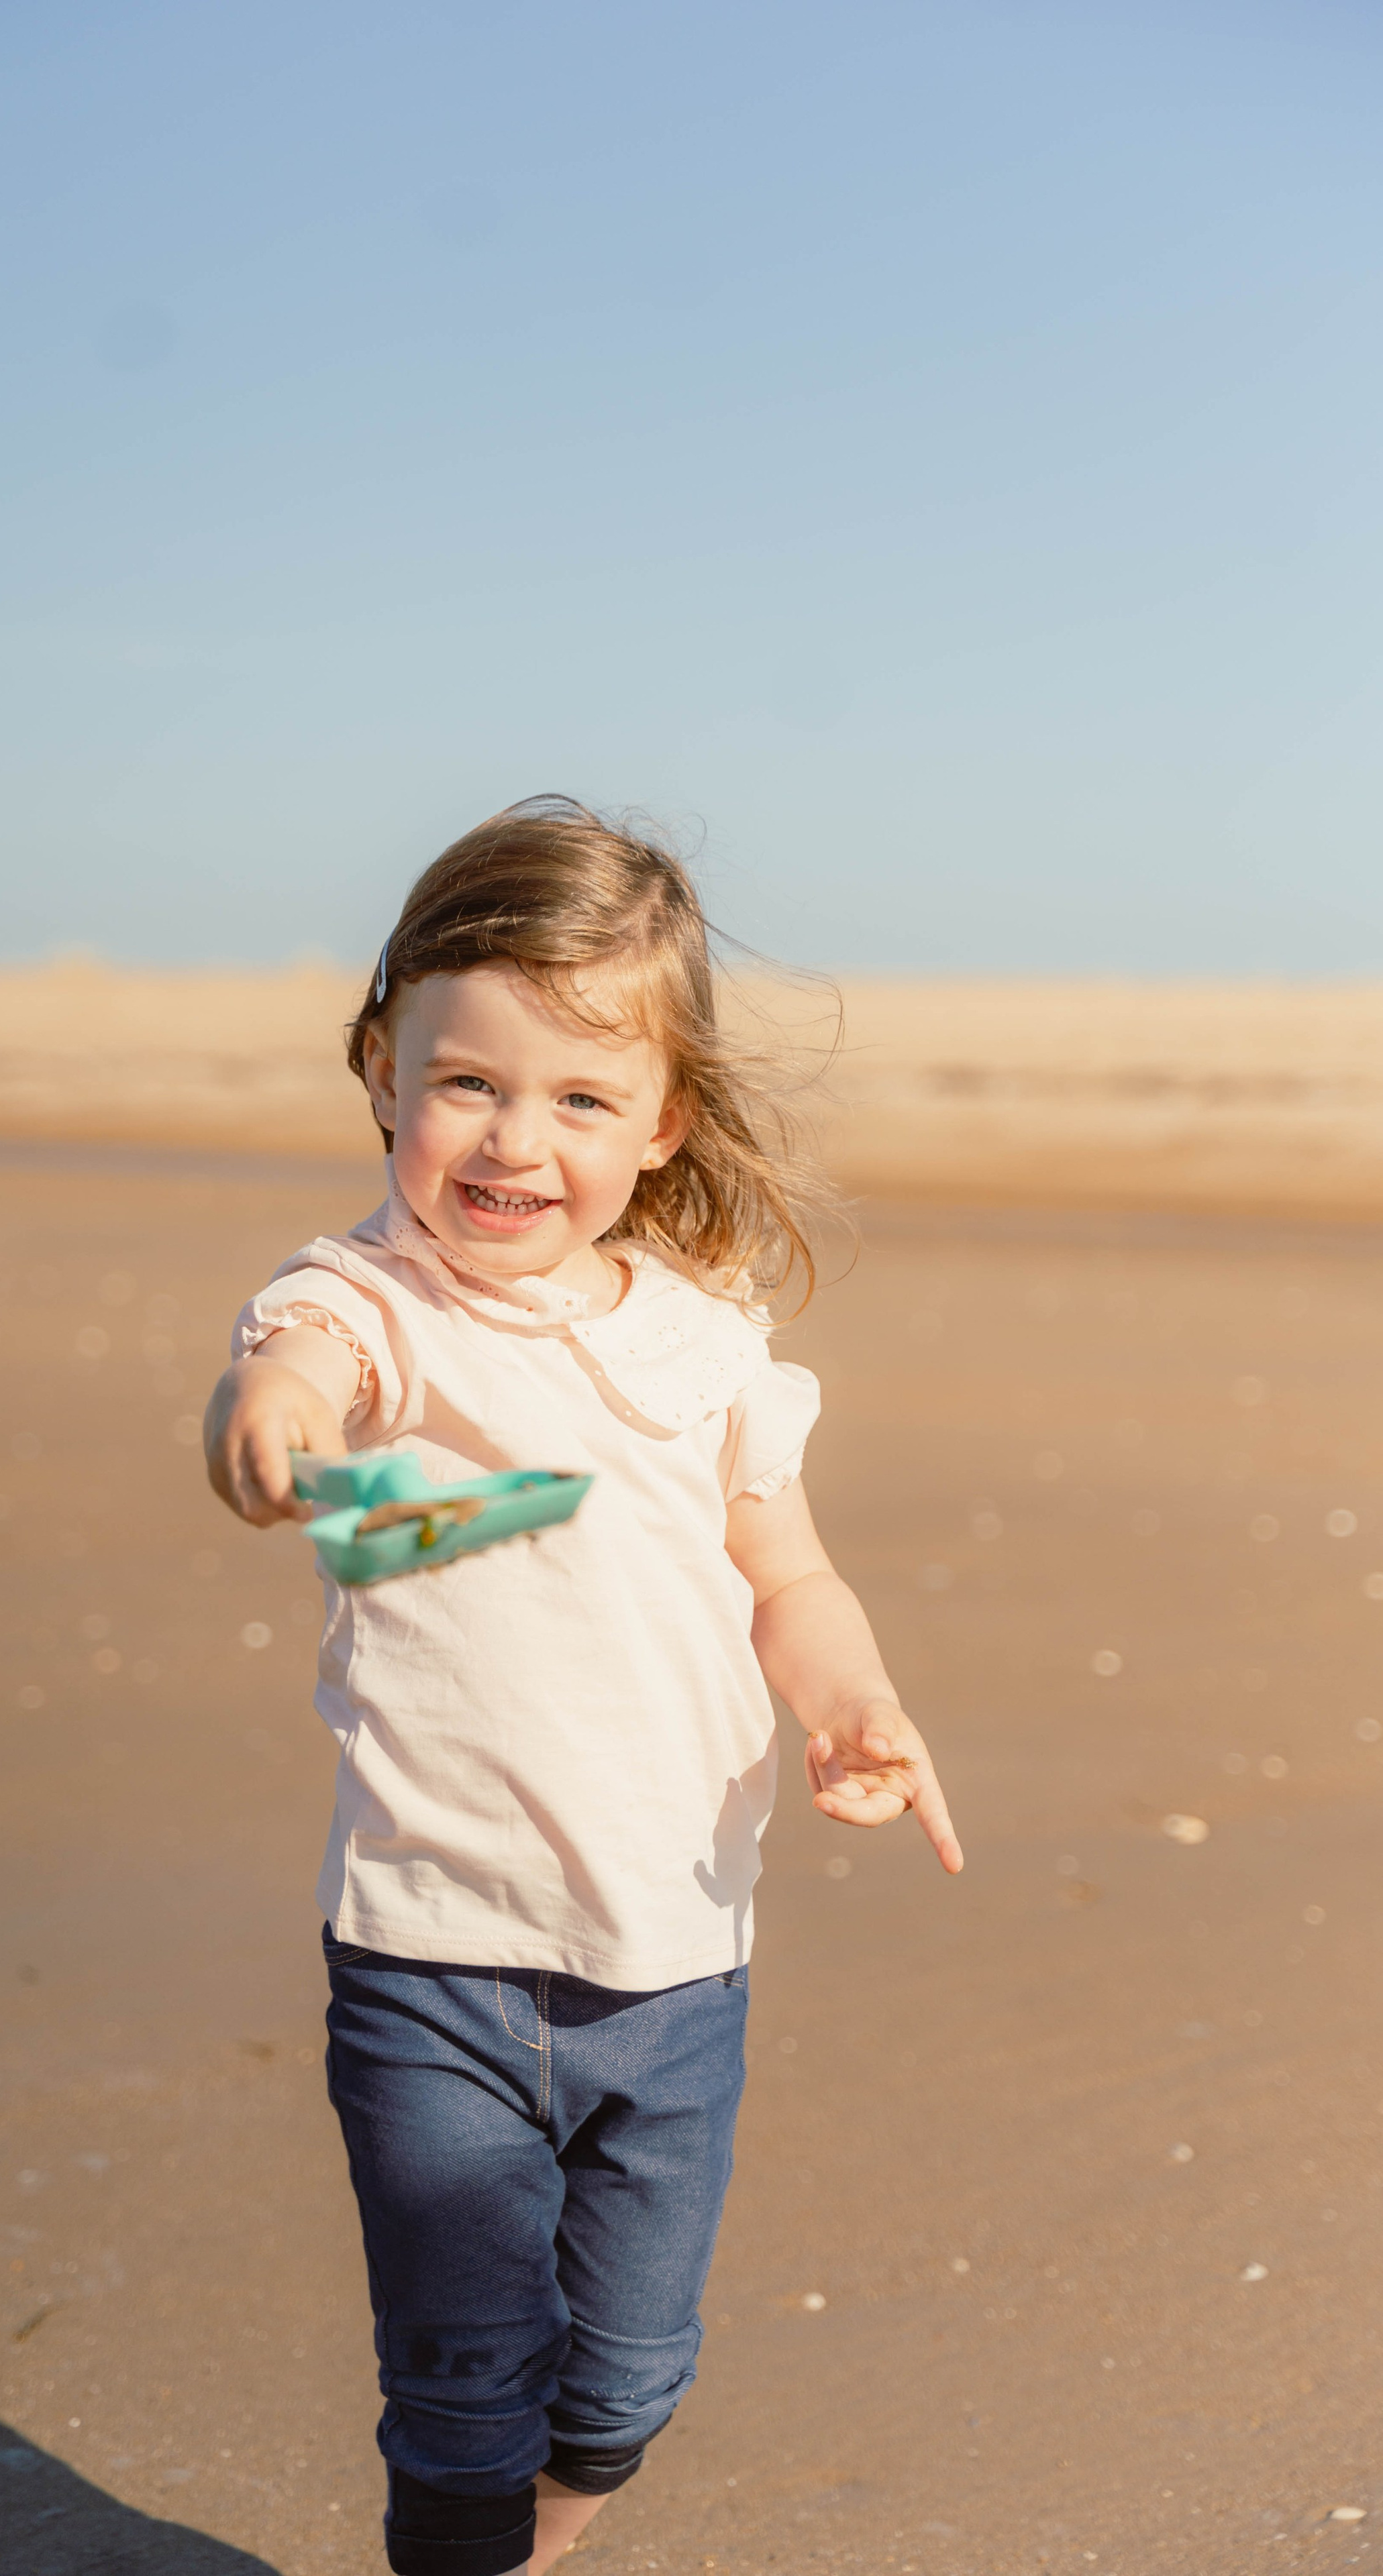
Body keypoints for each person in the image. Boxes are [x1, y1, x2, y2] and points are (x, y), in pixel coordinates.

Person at [203, 796, 962, 2576]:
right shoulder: (379, 1303)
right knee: (464, 2388)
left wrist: (856, 1701)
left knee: (622, 2387)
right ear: (388, 1070)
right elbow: (293, 1388)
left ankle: (536, 2542)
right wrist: (278, 1435)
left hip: (675, 1965)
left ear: (663, 1120)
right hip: (430, 1958)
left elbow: (790, 1573)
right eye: (467, 1082)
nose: (513, 1140)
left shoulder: (703, 1345)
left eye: (581, 1099)